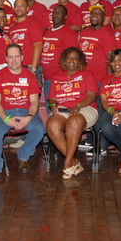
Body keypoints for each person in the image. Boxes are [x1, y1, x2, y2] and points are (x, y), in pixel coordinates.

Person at [0, 44, 45, 183]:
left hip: (26, 112)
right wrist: (6, 120)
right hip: (5, 113)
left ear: (22, 58)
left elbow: (34, 101)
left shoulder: (30, 76)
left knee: (40, 129)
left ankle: (23, 156)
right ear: (6, 59)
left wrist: (28, 117)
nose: (14, 60)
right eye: (10, 57)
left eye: (16, 56)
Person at [46, 48, 98, 179]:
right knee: (51, 124)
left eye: (75, 58)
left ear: (80, 61)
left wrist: (78, 106)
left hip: (85, 107)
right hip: (63, 108)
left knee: (74, 121)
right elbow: (52, 98)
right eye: (69, 57)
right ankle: (74, 161)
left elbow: (91, 96)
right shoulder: (56, 77)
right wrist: (53, 106)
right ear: (63, 60)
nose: (71, 61)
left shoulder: (87, 75)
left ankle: (67, 162)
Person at [41, 4, 79, 99]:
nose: (56, 14)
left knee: (59, 109)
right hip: (47, 77)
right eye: (54, 12)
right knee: (49, 107)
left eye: (59, 12)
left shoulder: (69, 33)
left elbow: (72, 58)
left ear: (65, 17)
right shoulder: (47, 31)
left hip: (60, 78)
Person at [8, 0, 43, 75]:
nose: (19, 8)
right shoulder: (12, 27)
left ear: (27, 9)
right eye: (16, 6)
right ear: (13, 9)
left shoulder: (32, 23)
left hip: (30, 67)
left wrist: (33, 69)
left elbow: (38, 45)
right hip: (16, 68)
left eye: (22, 5)